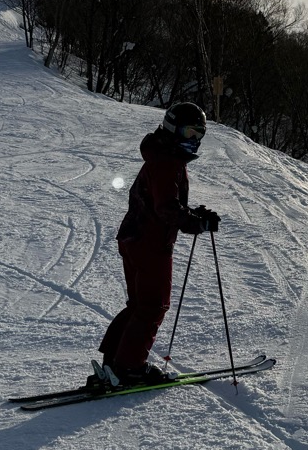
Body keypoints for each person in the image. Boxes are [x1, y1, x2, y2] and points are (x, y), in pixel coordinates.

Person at [91, 102, 220, 390]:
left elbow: (161, 203)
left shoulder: (161, 156)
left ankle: (116, 361)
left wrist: (195, 215)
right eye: (189, 132)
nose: (193, 140)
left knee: (140, 304)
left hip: (134, 238)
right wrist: (196, 223)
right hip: (150, 243)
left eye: (199, 134)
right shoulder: (166, 162)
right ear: (173, 129)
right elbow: (165, 208)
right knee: (153, 306)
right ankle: (129, 367)